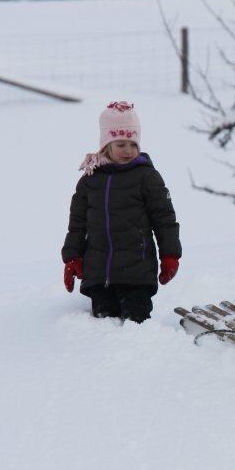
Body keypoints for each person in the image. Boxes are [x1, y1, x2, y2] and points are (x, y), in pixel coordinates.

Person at [61, 101, 181, 323]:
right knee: (102, 328)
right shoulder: (90, 180)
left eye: (133, 144)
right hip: (98, 275)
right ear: (106, 145)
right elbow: (77, 224)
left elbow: (164, 220)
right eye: (121, 144)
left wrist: (170, 255)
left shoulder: (147, 177)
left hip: (137, 273)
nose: (129, 151)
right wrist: (72, 257)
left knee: (135, 326)